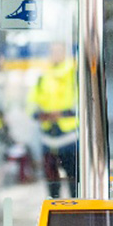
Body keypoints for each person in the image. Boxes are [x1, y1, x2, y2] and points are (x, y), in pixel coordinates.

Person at [28, 42, 78, 199]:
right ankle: (53, 208)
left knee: (73, 179)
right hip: (48, 134)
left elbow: (82, 101)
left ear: (65, 53)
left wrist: (64, 113)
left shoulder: (74, 73)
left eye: (59, 51)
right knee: (51, 179)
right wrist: (39, 114)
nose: (55, 55)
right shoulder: (43, 76)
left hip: (69, 135)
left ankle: (75, 209)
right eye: (53, 51)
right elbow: (32, 102)